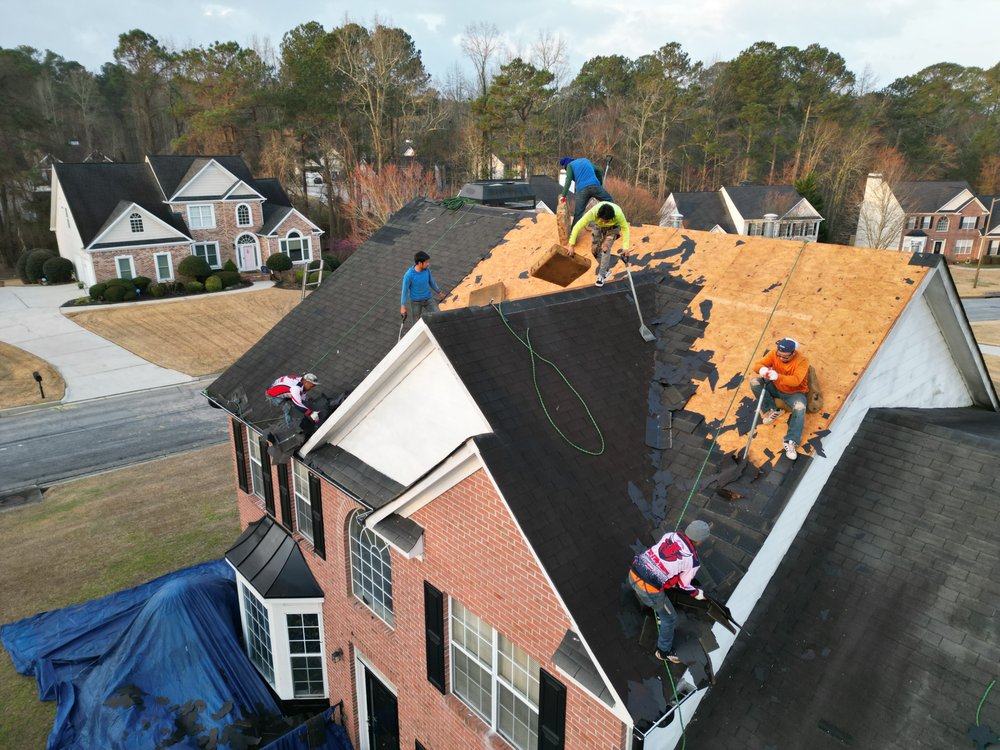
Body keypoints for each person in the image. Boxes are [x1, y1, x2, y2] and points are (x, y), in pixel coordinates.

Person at [628, 520, 711, 664]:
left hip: (633, 573)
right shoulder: (692, 561)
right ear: (700, 541)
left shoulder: (670, 536)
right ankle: (663, 651)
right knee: (669, 618)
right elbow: (684, 586)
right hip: (647, 589)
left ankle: (646, 598)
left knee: (665, 579)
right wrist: (697, 594)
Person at [750, 338, 810, 460]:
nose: (781, 358)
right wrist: (763, 370)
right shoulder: (774, 353)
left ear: (793, 353)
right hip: (776, 386)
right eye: (779, 355)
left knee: (800, 407)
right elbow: (757, 366)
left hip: (794, 392)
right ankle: (773, 410)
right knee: (754, 382)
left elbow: (796, 380)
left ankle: (791, 441)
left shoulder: (802, 361)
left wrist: (778, 377)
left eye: (785, 357)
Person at [568, 201, 631, 287]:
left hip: (613, 228)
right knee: (594, 250)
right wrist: (571, 245)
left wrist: (625, 247)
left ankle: (601, 276)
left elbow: (625, 228)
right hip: (598, 226)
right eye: (603, 220)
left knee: (605, 248)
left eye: (607, 221)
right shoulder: (593, 213)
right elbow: (577, 226)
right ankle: (606, 271)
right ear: (598, 216)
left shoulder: (618, 214)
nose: (605, 222)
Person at [559, 157, 614, 228]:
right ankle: (616, 224)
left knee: (578, 214)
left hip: (582, 190)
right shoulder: (586, 161)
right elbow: (598, 170)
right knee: (610, 201)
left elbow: (568, 180)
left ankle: (572, 236)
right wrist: (599, 184)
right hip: (595, 186)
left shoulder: (570, 166)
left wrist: (563, 195)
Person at [400, 251, 446, 322]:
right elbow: (404, 290)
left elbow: (432, 282)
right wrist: (402, 306)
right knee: (416, 324)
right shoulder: (409, 275)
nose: (428, 264)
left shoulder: (427, 270)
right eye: (426, 262)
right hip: (416, 302)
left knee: (438, 315)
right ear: (419, 263)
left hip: (428, 299)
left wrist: (439, 292)